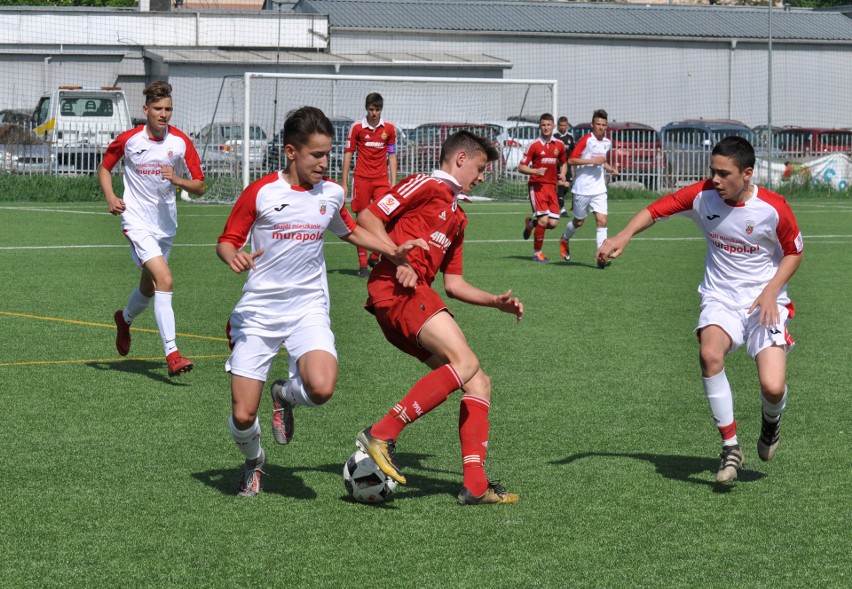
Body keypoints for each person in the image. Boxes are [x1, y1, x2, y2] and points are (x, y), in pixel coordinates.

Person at [216, 106, 425, 497]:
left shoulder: (331, 194)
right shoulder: (261, 192)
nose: (325, 163)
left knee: (322, 388)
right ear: (292, 152)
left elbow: (349, 232)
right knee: (243, 416)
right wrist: (234, 256)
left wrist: (394, 251)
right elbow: (226, 241)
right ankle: (254, 460)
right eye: (317, 155)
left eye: (328, 154)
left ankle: (284, 395)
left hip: (308, 307)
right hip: (260, 312)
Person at [596, 136, 803, 483]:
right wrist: (623, 236)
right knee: (709, 355)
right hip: (720, 298)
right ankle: (730, 447)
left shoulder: (773, 208)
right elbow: (654, 210)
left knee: (773, 387)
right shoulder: (702, 195)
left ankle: (771, 422)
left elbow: (794, 251)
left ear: (748, 174)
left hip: (765, 303)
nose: (716, 180)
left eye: (724, 174)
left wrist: (770, 292)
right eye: (713, 172)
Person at [354, 130, 525, 505]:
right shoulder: (427, 183)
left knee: (478, 381)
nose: (481, 177)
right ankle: (382, 432)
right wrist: (396, 255)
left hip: (416, 298)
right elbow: (367, 216)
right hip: (395, 292)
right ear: (460, 159)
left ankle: (475, 485)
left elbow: (455, 284)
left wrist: (495, 301)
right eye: (480, 168)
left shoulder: (458, 217)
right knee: (466, 362)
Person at [99, 80, 205, 377]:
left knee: (149, 286)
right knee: (165, 279)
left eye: (168, 109)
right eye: (158, 109)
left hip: (166, 225)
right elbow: (105, 166)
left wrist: (178, 181)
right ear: (146, 109)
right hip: (136, 221)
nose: (164, 114)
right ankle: (172, 353)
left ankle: (125, 319)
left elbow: (200, 185)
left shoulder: (180, 142)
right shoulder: (129, 139)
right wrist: (110, 196)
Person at [341, 92, 398, 278]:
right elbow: (348, 154)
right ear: (366, 109)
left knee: (385, 216)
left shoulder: (388, 128)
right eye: (371, 109)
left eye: (377, 109)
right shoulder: (357, 127)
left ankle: (375, 255)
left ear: (381, 109)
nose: (374, 113)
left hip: (381, 180)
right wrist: (344, 182)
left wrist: (393, 181)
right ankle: (363, 266)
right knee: (362, 221)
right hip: (362, 180)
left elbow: (392, 155)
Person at [559, 109, 619, 268]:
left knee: (602, 221)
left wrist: (610, 168)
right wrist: (591, 161)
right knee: (578, 222)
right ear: (592, 125)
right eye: (598, 124)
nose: (601, 127)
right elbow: (571, 160)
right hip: (582, 189)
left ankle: (601, 256)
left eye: (604, 125)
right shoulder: (586, 140)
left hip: (599, 189)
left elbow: (601, 161)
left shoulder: (607, 143)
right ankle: (564, 238)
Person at [519, 113, 568, 262]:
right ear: (540, 126)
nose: (546, 128)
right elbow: (521, 167)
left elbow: (564, 163)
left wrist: (563, 174)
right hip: (537, 186)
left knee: (553, 223)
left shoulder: (559, 145)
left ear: (553, 126)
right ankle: (537, 253)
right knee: (544, 220)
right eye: (543, 125)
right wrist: (535, 171)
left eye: (548, 125)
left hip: (551, 187)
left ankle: (531, 223)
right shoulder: (534, 145)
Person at [553, 116, 575, 218]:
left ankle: (557, 201)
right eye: (561, 125)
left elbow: (573, 152)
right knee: (561, 184)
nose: (563, 127)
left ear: (567, 125)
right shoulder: (555, 136)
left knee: (566, 187)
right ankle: (562, 210)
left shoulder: (570, 137)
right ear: (558, 125)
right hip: (558, 165)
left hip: (568, 166)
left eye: (564, 125)